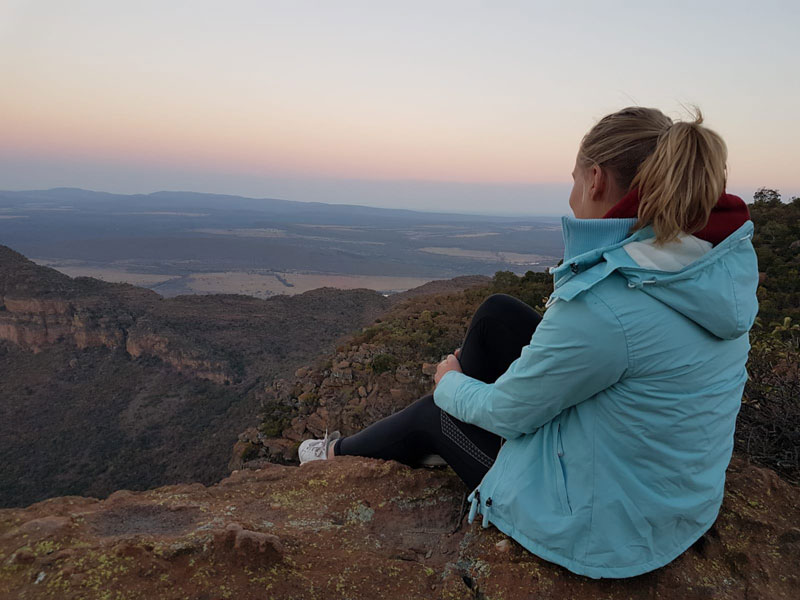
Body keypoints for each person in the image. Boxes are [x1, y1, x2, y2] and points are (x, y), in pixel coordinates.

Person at [297, 106, 758, 579]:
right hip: (676, 501)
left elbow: (510, 413)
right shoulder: (706, 266)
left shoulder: (606, 303)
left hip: (605, 533)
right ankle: (452, 438)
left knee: (436, 413)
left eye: (575, 179)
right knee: (499, 313)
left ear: (596, 179)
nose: (573, 194)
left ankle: (335, 456)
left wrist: (449, 382)